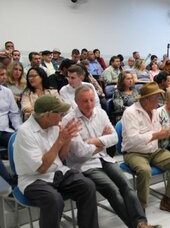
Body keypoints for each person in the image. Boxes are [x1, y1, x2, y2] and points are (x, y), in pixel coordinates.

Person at [62, 85, 160, 228]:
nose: (89, 104)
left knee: (126, 186)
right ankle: (137, 226)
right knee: (112, 190)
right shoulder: (69, 120)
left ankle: (141, 222)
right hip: (84, 165)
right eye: (85, 101)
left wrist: (93, 141)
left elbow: (114, 138)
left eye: (91, 100)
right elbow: (80, 152)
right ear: (76, 102)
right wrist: (103, 140)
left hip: (104, 158)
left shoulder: (100, 113)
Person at [13, 95, 99, 228]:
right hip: (34, 179)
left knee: (87, 186)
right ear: (47, 115)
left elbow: (62, 157)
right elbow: (41, 168)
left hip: (56, 172)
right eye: (59, 113)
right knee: (54, 200)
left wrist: (67, 138)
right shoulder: (25, 133)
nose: (62, 116)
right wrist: (60, 141)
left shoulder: (53, 125)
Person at [121, 82, 170, 216]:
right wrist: (157, 134)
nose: (159, 102)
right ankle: (140, 209)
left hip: (153, 150)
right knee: (144, 170)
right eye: (157, 98)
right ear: (146, 99)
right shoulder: (130, 113)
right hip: (134, 152)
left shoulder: (154, 111)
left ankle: (167, 200)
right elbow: (133, 139)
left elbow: (160, 132)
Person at [0, 64, 21, 188]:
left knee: (21, 141)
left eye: (4, 74)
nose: (4, 77)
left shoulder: (6, 92)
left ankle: (22, 178)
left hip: (4, 130)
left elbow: (14, 113)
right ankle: (11, 181)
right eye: (1, 75)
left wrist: (19, 128)